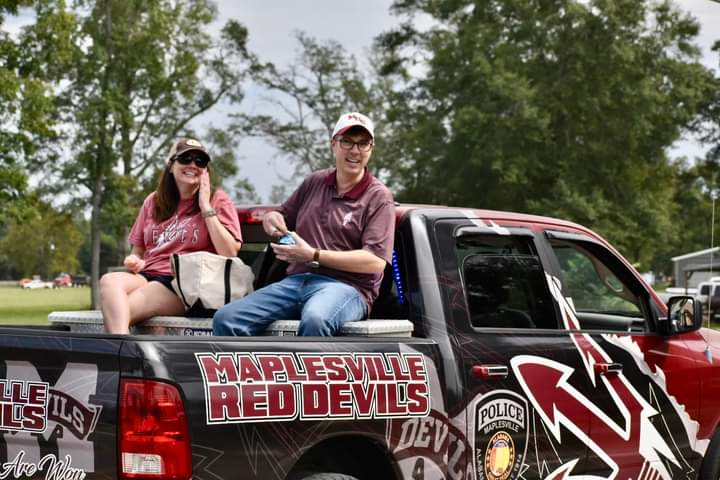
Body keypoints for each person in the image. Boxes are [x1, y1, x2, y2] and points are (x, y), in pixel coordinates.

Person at [213, 112, 395, 336]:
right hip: (296, 282)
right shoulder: (315, 182)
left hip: (348, 288)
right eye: (347, 141)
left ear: (371, 148)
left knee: (316, 319)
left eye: (363, 143)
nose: (355, 150)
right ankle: (255, 372)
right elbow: (281, 215)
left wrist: (313, 255)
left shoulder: (378, 196)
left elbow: (375, 262)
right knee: (226, 319)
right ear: (334, 144)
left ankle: (310, 372)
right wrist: (272, 219)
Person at [100, 138, 243, 334]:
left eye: (200, 161)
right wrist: (134, 260)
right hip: (147, 275)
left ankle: (119, 360)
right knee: (109, 281)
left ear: (206, 171)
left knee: (121, 311)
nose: (193, 164)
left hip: (184, 283)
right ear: (171, 165)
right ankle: (125, 358)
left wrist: (205, 207)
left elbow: (229, 252)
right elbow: (138, 251)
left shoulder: (218, 199)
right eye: (185, 158)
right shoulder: (153, 201)